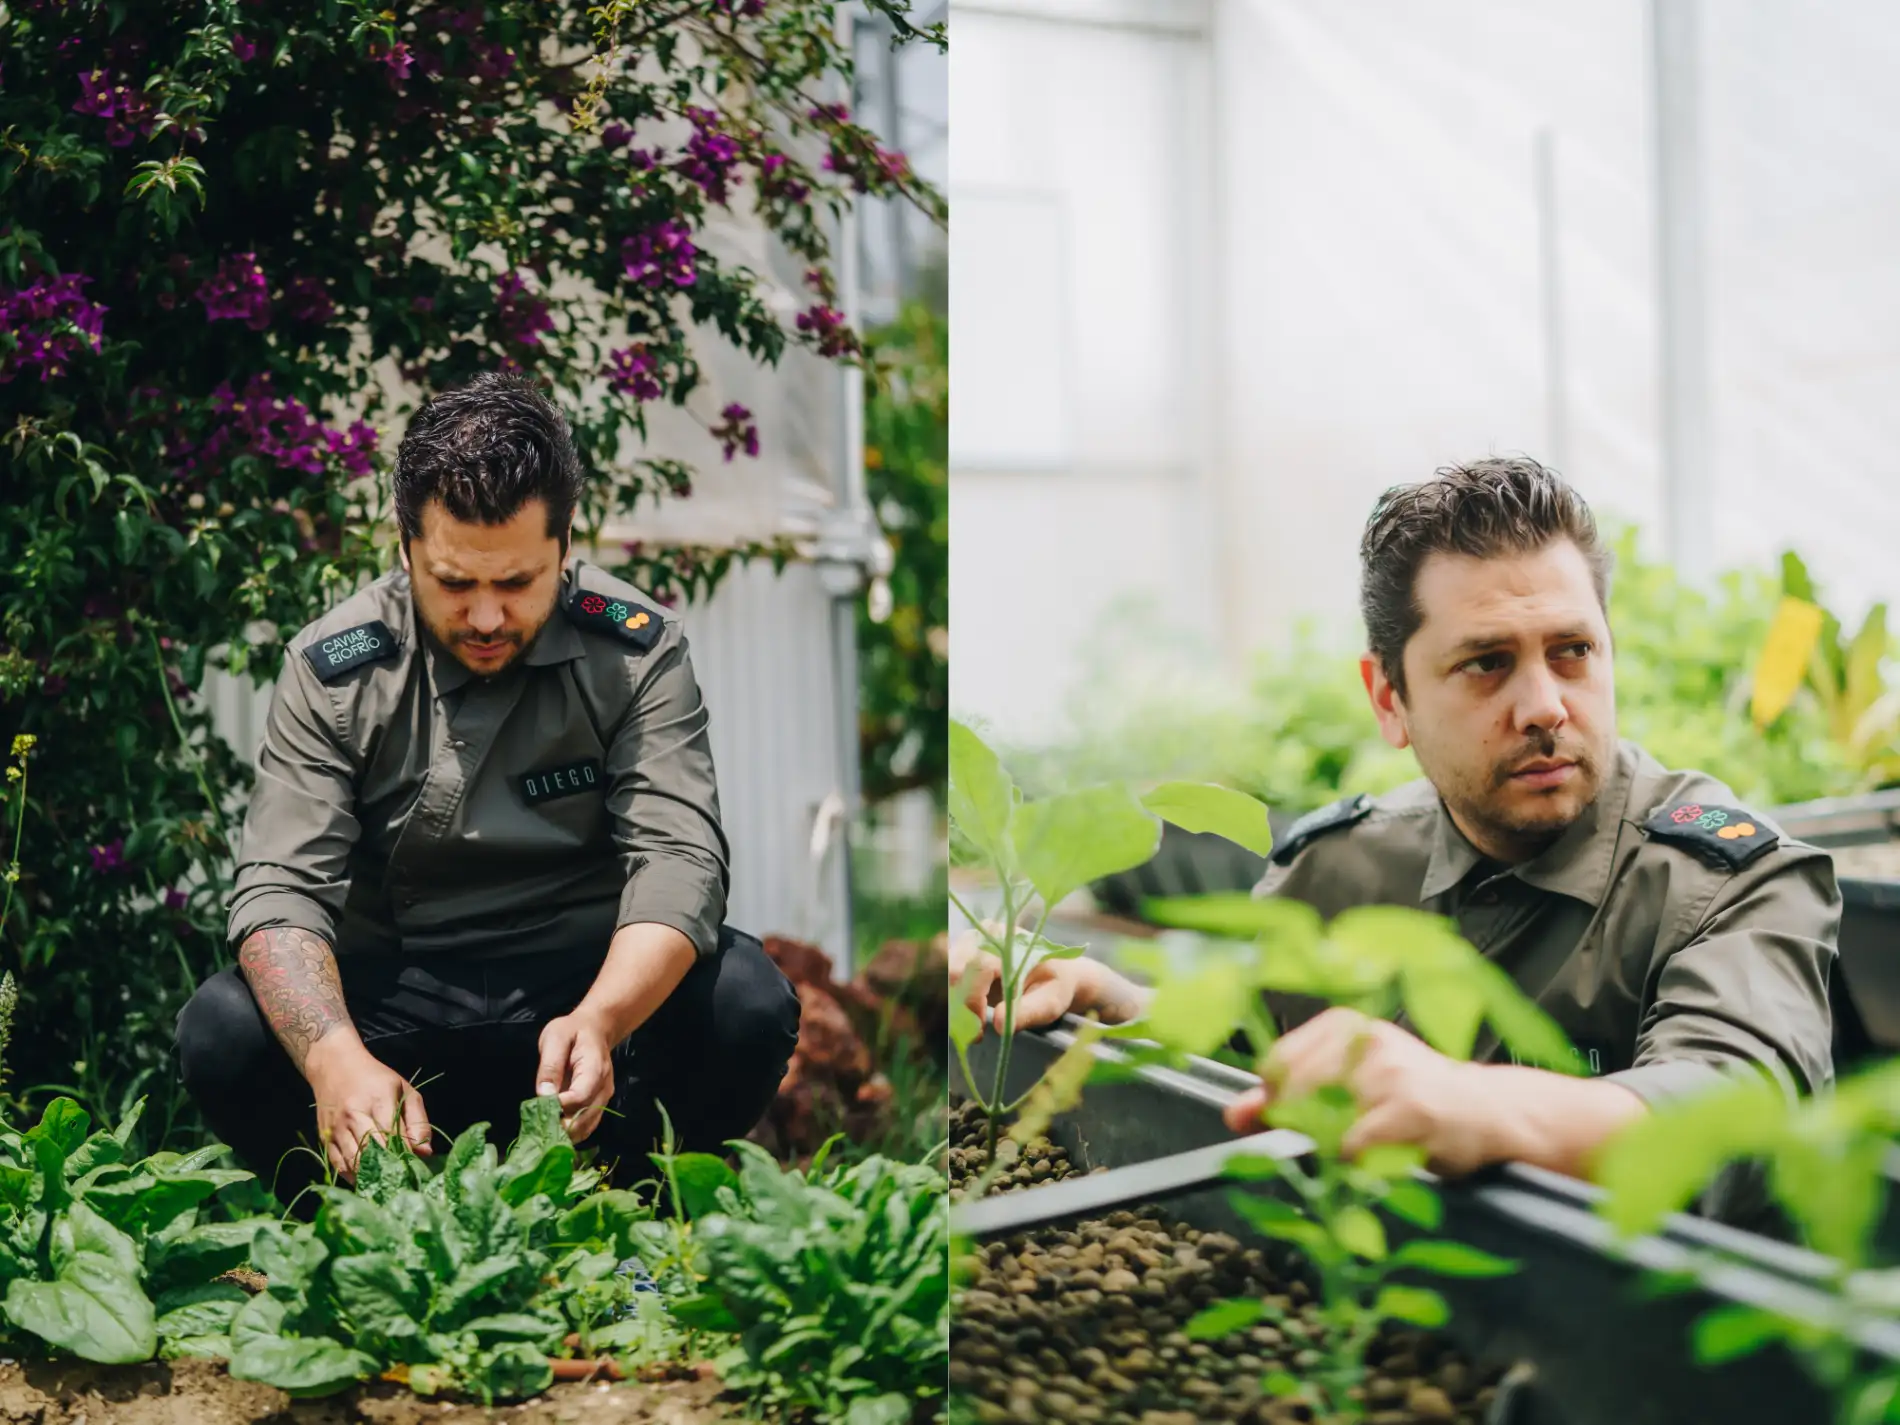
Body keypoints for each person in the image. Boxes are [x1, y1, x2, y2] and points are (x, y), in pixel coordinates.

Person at [952, 458, 1838, 1183]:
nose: (1544, 706)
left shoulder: (1729, 880)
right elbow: (1252, 1049)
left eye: (1572, 651)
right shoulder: (1342, 867)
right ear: (1390, 699)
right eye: (1487, 663)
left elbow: (1738, 1105)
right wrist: (1115, 1001)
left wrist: (1473, 1100)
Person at [175, 372, 801, 1208]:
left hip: (580, 1019)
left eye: (515, 584)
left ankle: (634, 1211)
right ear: (404, 547)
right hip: (396, 1009)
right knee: (223, 1028)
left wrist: (604, 1019)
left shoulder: (636, 653)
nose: (484, 618)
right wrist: (335, 1056)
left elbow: (680, 860)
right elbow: (280, 892)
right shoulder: (333, 670)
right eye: (454, 582)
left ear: (565, 544)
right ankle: (355, 1221)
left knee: (747, 998)